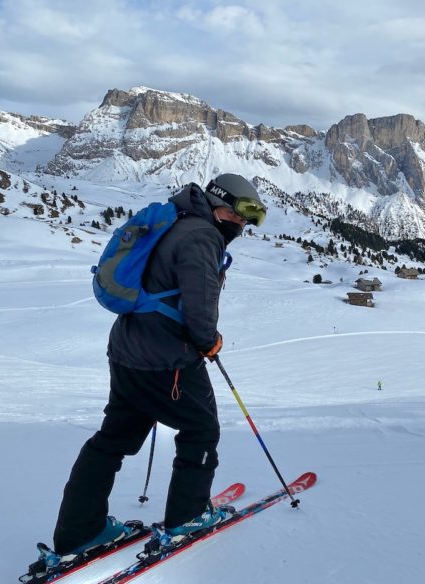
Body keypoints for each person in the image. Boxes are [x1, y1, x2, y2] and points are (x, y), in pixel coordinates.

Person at [42, 174, 267, 565]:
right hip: (166, 357)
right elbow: (199, 307)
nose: (244, 224)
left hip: (128, 349)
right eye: (242, 214)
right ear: (221, 206)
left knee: (112, 440)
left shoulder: (175, 220)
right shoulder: (201, 237)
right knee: (201, 429)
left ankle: (80, 531)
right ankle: (188, 517)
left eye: (252, 218)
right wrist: (207, 340)